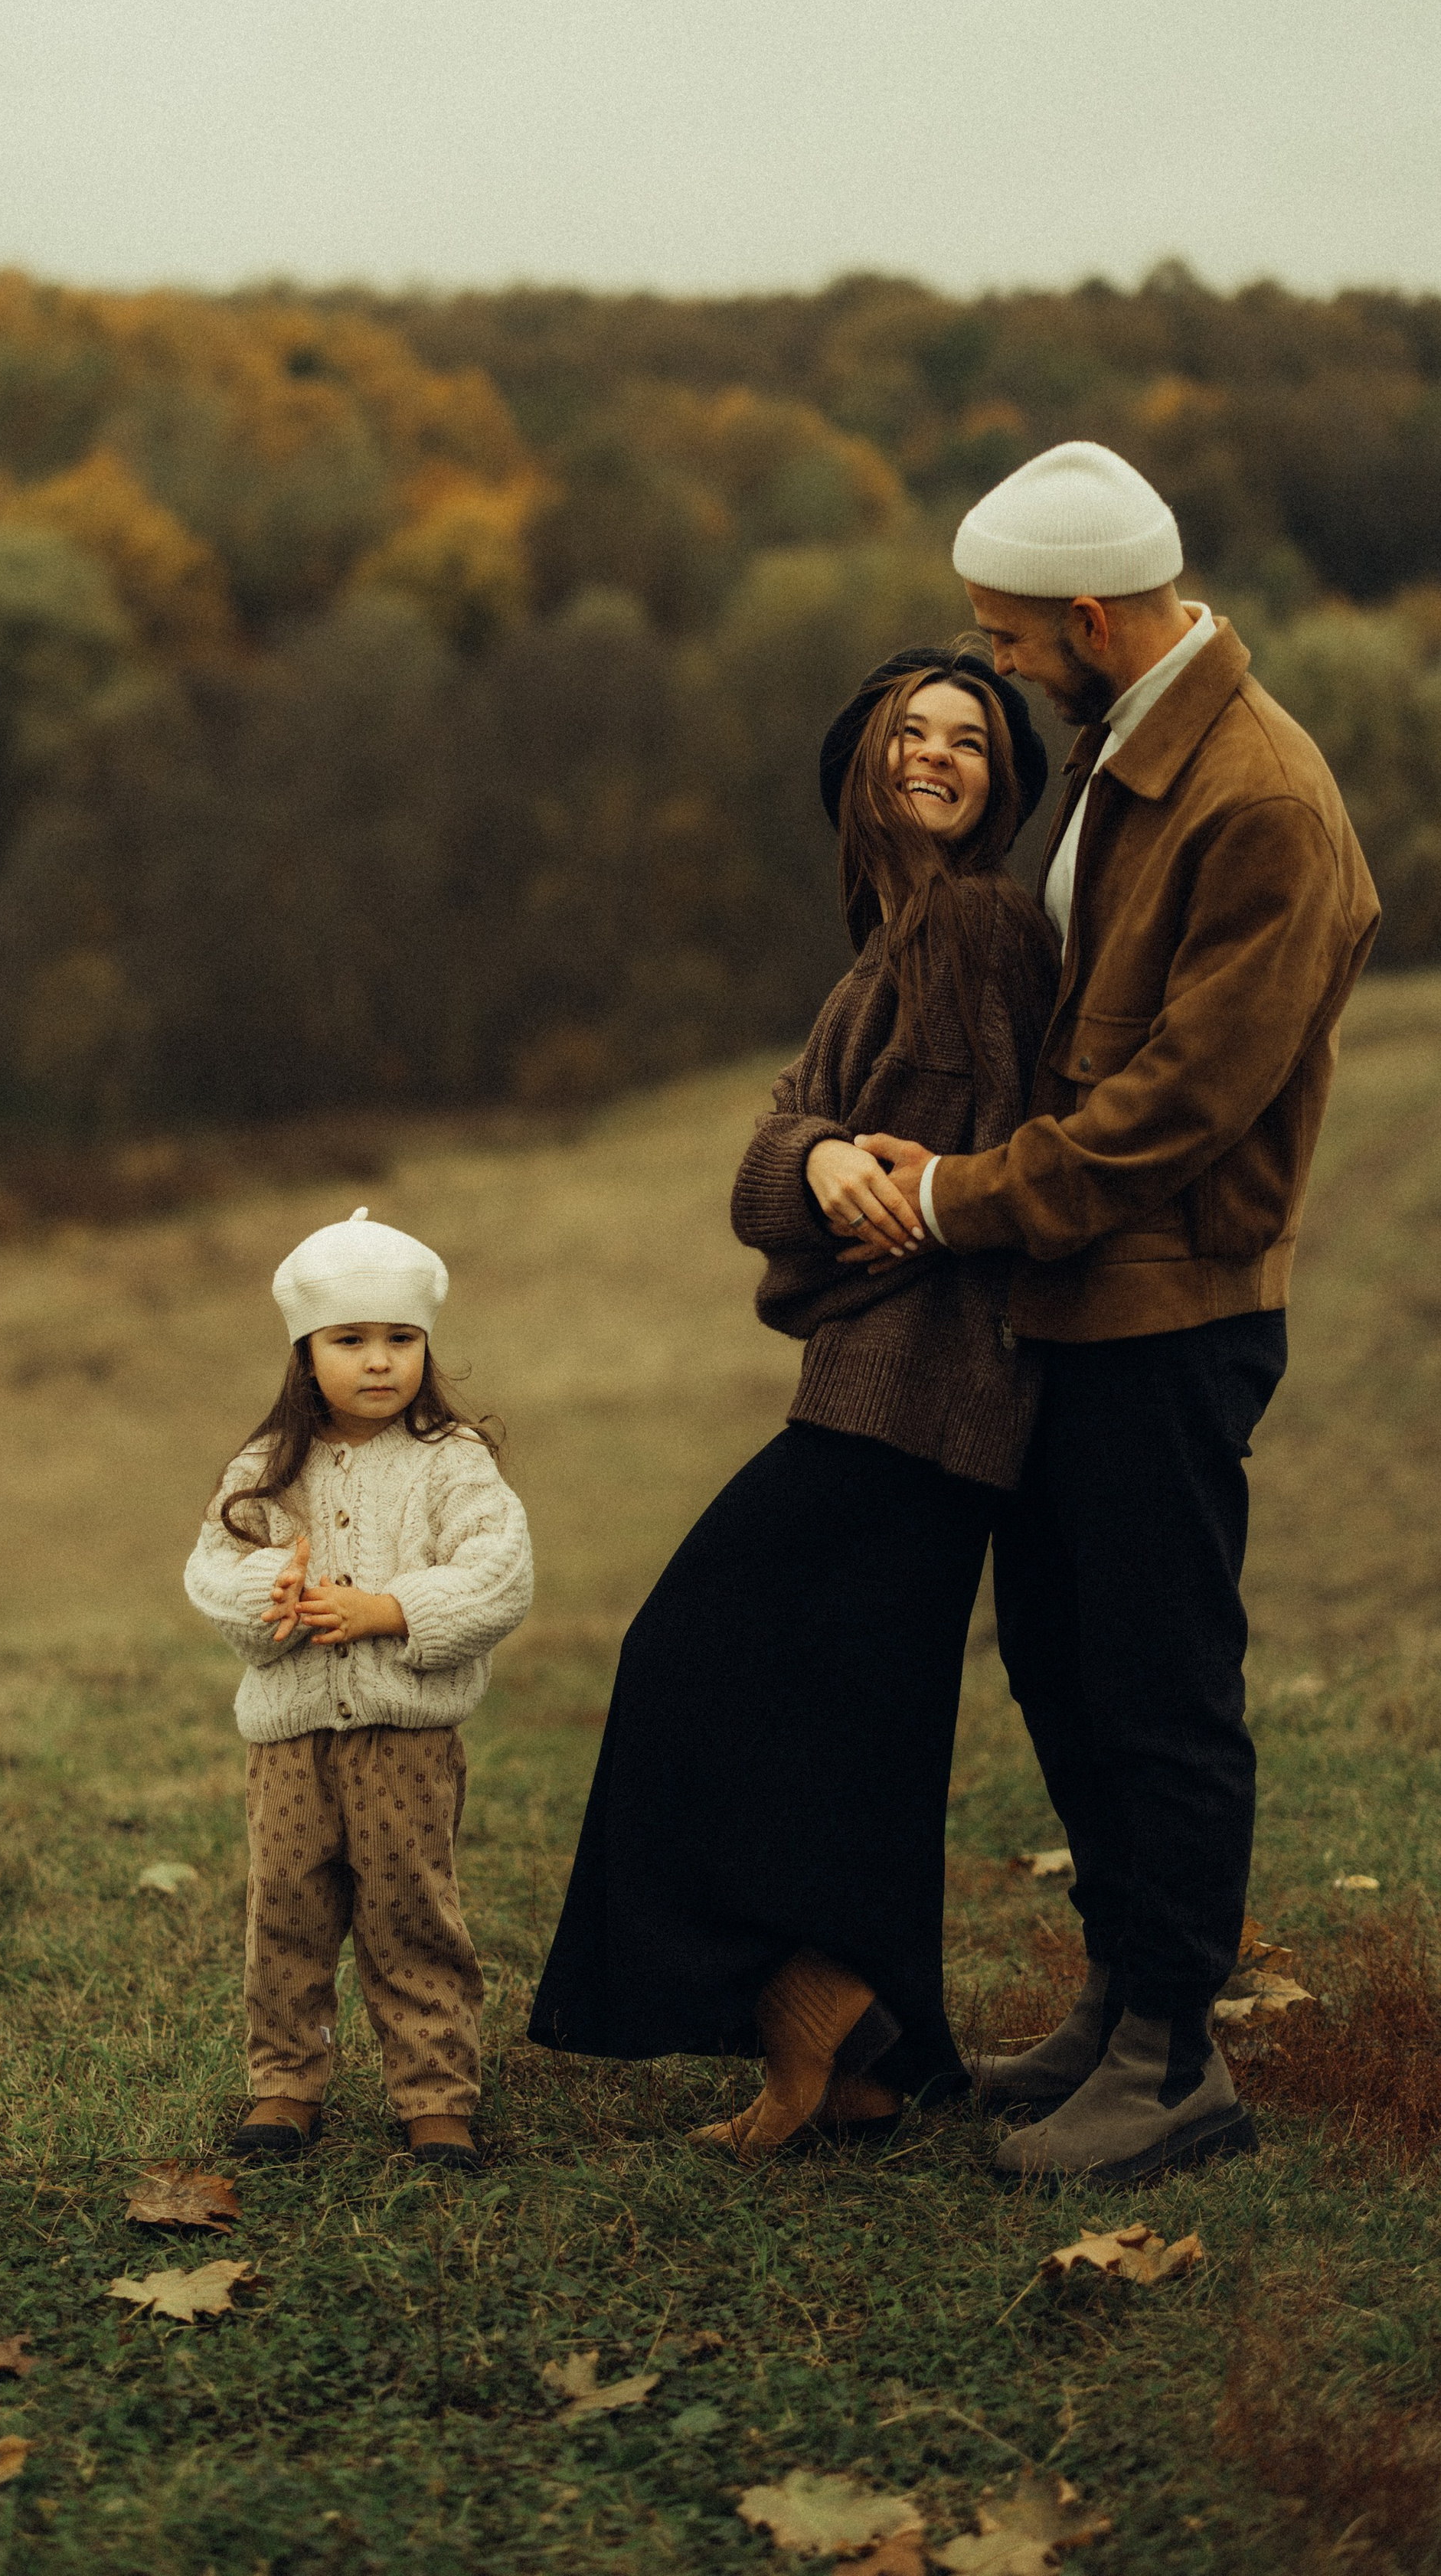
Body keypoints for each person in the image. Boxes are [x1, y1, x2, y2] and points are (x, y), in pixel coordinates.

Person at [848, 441, 1380, 2182]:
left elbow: (1173, 1108)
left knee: (1157, 1683)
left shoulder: (1258, 799)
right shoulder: (1124, 745)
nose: (990, 666)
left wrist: (955, 1196)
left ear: (1087, 619)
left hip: (1170, 1310)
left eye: (1005, 638)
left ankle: (1174, 2062)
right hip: (1075, 1302)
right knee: (1062, 1659)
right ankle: (1115, 2000)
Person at [528, 650, 1057, 2153]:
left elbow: (957, 1180)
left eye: (970, 741)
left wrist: (856, 1185)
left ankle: (811, 2009)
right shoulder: (888, 948)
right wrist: (814, 1156)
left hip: (922, 1393)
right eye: (912, 733)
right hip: (896, 1391)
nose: (938, 754)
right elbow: (770, 1168)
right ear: (861, 769)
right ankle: (868, 2058)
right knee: (852, 1728)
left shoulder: (973, 931)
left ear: (999, 788)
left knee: (685, 1659)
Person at [186, 1208, 532, 2171]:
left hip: (404, 1743)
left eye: (400, 1339)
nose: (379, 1361)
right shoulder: (265, 1466)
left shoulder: (451, 1462)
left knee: (408, 1913)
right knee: (286, 1911)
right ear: (304, 1353)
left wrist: (390, 1610)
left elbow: (500, 1575)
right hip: (289, 1743)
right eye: (349, 1340)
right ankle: (286, 2083)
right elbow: (213, 1571)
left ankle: (435, 2097)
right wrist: (269, 1592)